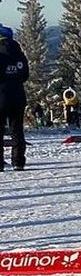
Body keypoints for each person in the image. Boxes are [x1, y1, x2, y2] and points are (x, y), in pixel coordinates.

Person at [0, 24, 29, 172]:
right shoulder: (19, 54)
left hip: (1, 96)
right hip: (18, 96)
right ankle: (18, 161)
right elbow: (25, 75)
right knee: (17, 130)